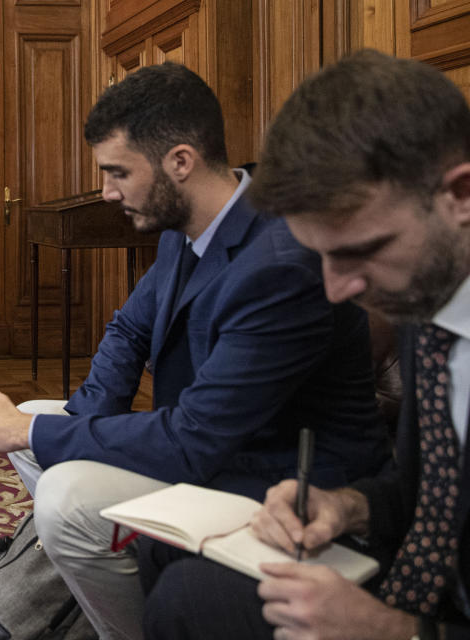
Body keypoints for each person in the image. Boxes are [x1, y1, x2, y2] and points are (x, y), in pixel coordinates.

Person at [0, 62, 390, 639]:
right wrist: (77, 422)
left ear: (180, 162)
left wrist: (35, 438)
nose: (105, 192)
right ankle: (102, 575)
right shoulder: (188, 225)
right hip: (212, 452)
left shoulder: (279, 263)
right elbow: (129, 330)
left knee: (64, 493)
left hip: (282, 488)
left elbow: (198, 439)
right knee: (38, 420)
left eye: (119, 172)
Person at [140, 49, 470, 640]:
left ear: (460, 195)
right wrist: (346, 505)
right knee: (167, 561)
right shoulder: (431, 302)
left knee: (189, 598)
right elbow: (435, 499)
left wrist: (394, 631)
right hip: (412, 575)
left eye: (359, 250)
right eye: (320, 255)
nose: (337, 289)